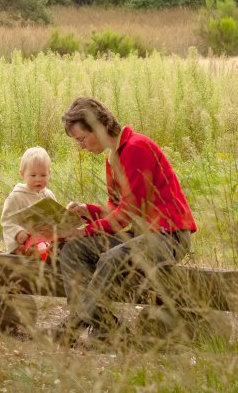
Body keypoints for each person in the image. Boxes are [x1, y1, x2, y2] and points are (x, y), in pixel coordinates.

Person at [56, 97, 197, 342]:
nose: (81, 146)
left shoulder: (136, 148)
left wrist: (85, 230)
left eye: (81, 139)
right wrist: (86, 211)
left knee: (111, 258)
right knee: (73, 249)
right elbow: (116, 208)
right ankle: (108, 330)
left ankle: (75, 323)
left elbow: (128, 214)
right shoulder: (113, 158)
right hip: (142, 236)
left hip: (168, 236)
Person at [1, 146, 56, 259]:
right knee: (38, 247)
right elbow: (7, 220)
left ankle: (52, 254)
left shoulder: (48, 195)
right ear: (22, 174)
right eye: (33, 175)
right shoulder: (16, 196)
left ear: (49, 173)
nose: (38, 179)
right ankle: (41, 255)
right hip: (26, 241)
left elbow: (56, 217)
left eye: (43, 175)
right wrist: (17, 232)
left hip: (46, 238)